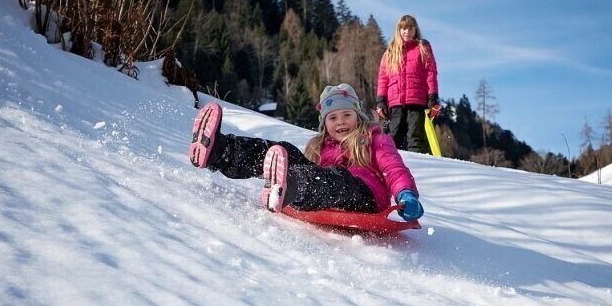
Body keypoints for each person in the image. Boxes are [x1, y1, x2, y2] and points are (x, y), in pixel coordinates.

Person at [188, 83, 424, 221]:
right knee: (285, 151)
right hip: (326, 188)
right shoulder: (320, 145)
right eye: (333, 118)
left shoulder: (373, 137)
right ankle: (221, 151)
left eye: (347, 115)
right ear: (324, 123)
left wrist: (406, 194)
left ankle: (289, 186)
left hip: (366, 197)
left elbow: (393, 168)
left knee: (337, 179)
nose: (340, 122)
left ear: (358, 116)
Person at [376, 14, 440, 154]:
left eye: (411, 28)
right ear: (398, 30)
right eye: (404, 28)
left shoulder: (422, 48)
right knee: (394, 136)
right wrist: (381, 101)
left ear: (415, 30)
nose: (407, 32)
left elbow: (431, 73)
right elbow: (383, 78)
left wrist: (433, 97)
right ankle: (391, 167)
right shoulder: (391, 51)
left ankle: (418, 167)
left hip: (417, 101)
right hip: (395, 103)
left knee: (415, 137)